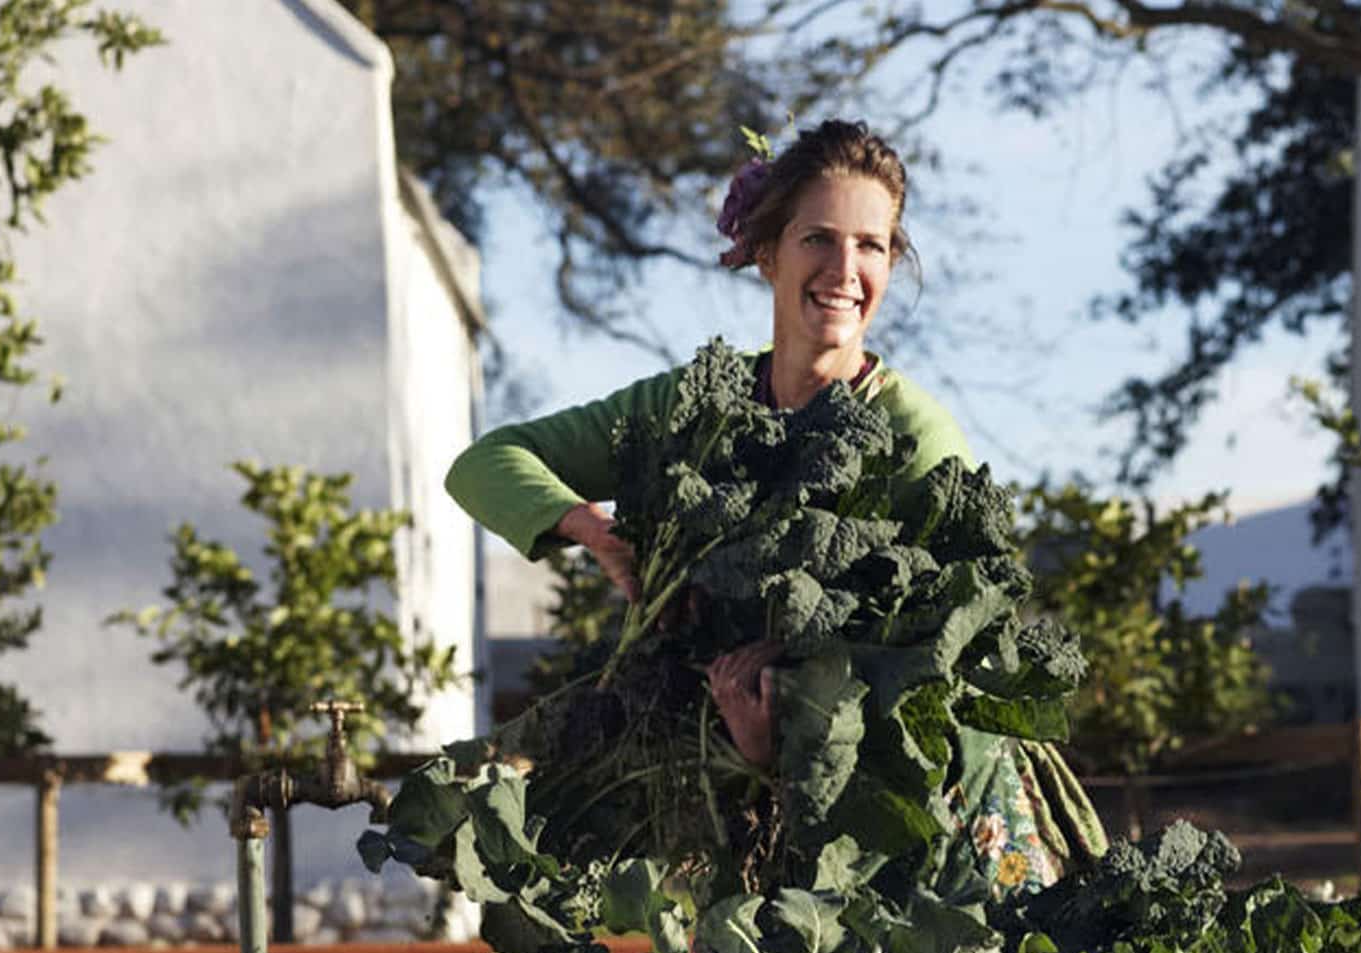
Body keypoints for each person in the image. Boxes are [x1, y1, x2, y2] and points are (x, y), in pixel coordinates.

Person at [446, 119, 1107, 893]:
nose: (845, 268)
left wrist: (789, 721)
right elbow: (485, 464)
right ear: (767, 253)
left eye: (871, 245)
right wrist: (591, 528)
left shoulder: (914, 436)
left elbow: (952, 658)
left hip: (928, 823)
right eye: (818, 239)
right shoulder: (697, 408)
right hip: (735, 803)